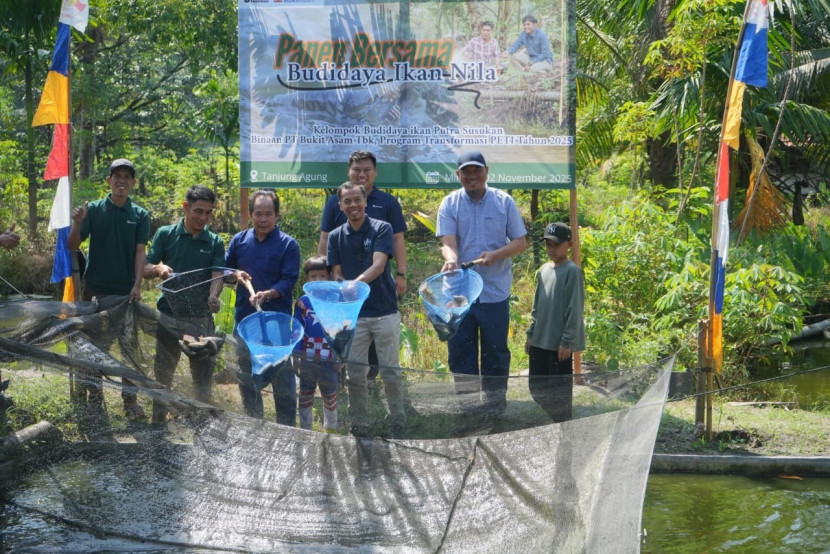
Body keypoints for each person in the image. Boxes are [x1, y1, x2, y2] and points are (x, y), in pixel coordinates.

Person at [436, 150, 527, 416]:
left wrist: (495, 255)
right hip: (459, 297)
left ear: (487, 171)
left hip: (494, 294)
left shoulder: (504, 202)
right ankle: (469, 411)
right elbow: (448, 244)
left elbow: (520, 242)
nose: (472, 176)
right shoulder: (450, 203)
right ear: (458, 175)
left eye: (477, 170)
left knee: (496, 354)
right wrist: (452, 260)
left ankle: (495, 410)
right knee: (461, 355)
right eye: (466, 171)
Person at [67, 158, 150, 420]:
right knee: (94, 349)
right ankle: (94, 400)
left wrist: (137, 285)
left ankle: (130, 402)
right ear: (109, 180)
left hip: (126, 295)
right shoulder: (94, 210)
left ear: (133, 183)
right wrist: (78, 222)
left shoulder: (140, 215)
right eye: (117, 176)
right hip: (94, 292)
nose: (121, 181)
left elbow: (140, 252)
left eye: (127, 177)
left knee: (129, 351)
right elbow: (71, 245)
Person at [317, 150, 408, 386]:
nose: (362, 174)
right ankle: (356, 412)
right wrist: (332, 282)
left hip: (381, 297)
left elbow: (397, 241)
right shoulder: (333, 205)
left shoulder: (387, 204)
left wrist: (401, 274)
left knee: (386, 362)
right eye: (356, 170)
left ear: (375, 173)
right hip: (349, 304)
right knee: (352, 363)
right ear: (349, 171)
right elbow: (327, 240)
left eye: (367, 170)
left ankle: (391, 409)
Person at [327, 181, 404, 437]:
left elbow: (379, 266)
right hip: (355, 316)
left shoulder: (382, 228)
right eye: (347, 201)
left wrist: (352, 286)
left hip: (384, 311)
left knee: (391, 371)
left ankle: (398, 419)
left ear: (365, 202)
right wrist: (342, 284)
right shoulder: (336, 236)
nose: (353, 206)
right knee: (355, 373)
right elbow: (335, 271)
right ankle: (359, 423)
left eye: (357, 200)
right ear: (340, 206)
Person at [143, 185, 225, 425]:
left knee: (202, 380)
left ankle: (203, 427)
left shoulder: (214, 241)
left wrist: (213, 296)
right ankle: (158, 424)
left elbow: (217, 274)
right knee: (163, 376)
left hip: (201, 320)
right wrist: (159, 269)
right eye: (198, 211)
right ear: (186, 207)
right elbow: (145, 267)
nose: (203, 218)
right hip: (169, 317)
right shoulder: (166, 234)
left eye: (208, 213)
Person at [225, 189, 301, 425]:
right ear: (251, 214)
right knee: (246, 371)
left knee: (281, 373)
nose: (263, 219)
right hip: (245, 320)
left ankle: (287, 426)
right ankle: (254, 421)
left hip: (276, 322)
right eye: (258, 214)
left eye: (268, 214)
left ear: (277, 215)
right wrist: (235, 274)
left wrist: (268, 294)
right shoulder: (240, 241)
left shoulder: (288, 244)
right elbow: (224, 271)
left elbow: (289, 280)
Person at [525, 222, 585, 422]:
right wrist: (530, 334)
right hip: (539, 341)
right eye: (547, 244)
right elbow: (537, 306)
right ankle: (556, 420)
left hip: (559, 346)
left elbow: (574, 309)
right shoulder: (543, 270)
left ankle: (563, 427)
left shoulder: (572, 271)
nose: (551, 249)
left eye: (555, 245)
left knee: (560, 396)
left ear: (569, 244)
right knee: (536, 388)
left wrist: (566, 341)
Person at [293, 256, 339, 430]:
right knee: (305, 394)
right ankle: (306, 429)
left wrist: (341, 356)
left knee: (330, 394)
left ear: (329, 276)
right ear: (307, 279)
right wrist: (296, 354)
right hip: (307, 357)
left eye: (322, 276)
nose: (318, 280)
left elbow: (343, 331)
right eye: (314, 276)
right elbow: (296, 329)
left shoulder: (336, 301)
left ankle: (332, 429)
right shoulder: (302, 302)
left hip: (330, 358)